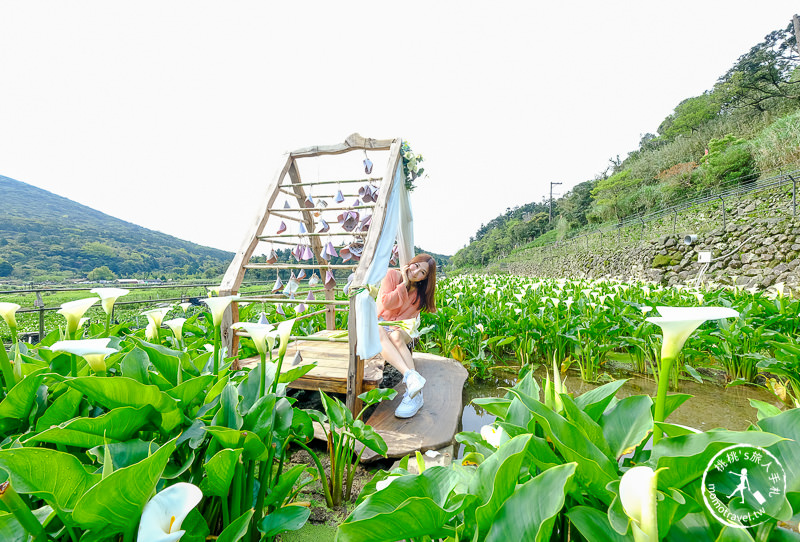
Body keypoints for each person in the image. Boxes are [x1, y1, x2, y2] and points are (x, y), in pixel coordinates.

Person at [377, 253, 437, 418]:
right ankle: (412, 381)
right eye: (416, 266)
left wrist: (394, 328)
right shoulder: (392, 275)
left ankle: (413, 391)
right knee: (380, 330)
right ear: (411, 263)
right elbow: (387, 303)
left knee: (396, 336)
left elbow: (405, 321)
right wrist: (403, 283)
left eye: (422, 273)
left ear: (425, 278)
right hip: (380, 324)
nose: (416, 272)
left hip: (401, 327)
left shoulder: (419, 294)